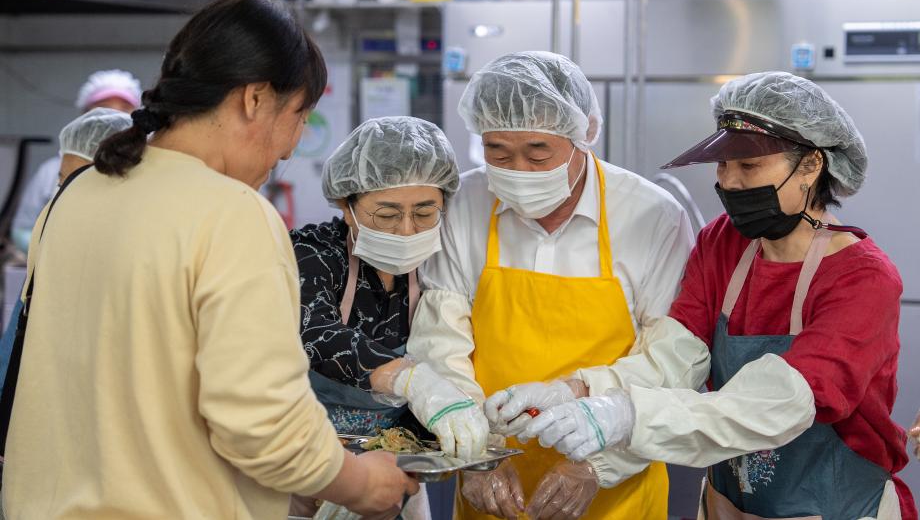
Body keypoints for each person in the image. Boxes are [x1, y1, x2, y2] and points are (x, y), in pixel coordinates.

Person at [2, 0, 416, 520]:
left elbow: (129, 392)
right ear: (255, 99)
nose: (290, 148)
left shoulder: (73, 198)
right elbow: (263, 423)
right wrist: (360, 482)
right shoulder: (232, 215)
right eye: (299, 116)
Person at [517, 71, 917, 519]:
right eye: (724, 165)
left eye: (748, 166)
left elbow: (780, 403)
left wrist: (628, 414)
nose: (729, 182)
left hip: (841, 509)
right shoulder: (723, 242)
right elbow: (674, 356)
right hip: (728, 504)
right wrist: (579, 390)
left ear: (810, 165)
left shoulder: (863, 278)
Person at [407, 51, 697, 520]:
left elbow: (674, 362)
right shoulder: (464, 205)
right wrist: (477, 454)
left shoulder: (651, 217)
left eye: (538, 152)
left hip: (617, 493)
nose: (518, 170)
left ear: (585, 133)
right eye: (498, 152)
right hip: (489, 490)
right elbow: (439, 344)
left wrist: (597, 463)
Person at [288, 116, 488, 519]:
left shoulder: (437, 267)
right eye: (386, 214)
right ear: (347, 207)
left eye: (425, 213)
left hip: (395, 470)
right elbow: (317, 332)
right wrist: (410, 379)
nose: (406, 230)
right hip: (307, 461)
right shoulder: (312, 254)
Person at [0, 108, 133, 384]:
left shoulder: (133, 259)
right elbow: (11, 357)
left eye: (80, 183)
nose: (67, 194)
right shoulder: (49, 253)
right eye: (62, 181)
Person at [10, 69, 142, 252]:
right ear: (84, 115)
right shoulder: (50, 171)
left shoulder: (148, 168)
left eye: (125, 108)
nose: (113, 114)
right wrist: (51, 253)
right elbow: (23, 228)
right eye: (103, 106)